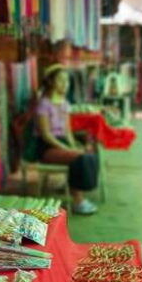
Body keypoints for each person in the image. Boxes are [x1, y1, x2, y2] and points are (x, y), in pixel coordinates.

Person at [35, 64, 100, 215]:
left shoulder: (64, 104)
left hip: (61, 143)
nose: (65, 84)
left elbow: (67, 131)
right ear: (51, 82)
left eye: (67, 81)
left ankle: (77, 190)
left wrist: (72, 144)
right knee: (79, 157)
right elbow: (46, 135)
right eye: (61, 80)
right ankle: (78, 201)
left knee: (89, 152)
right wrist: (68, 149)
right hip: (47, 147)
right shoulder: (44, 104)